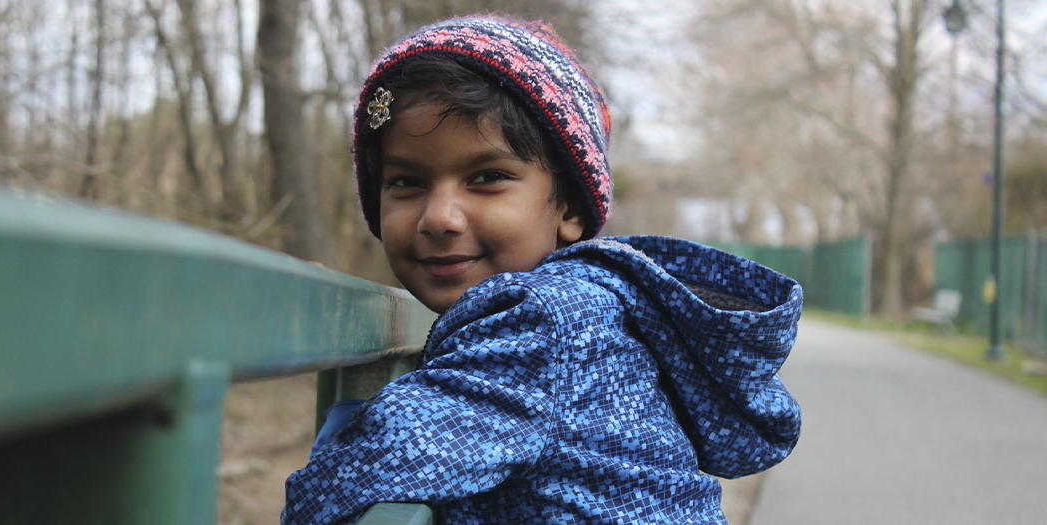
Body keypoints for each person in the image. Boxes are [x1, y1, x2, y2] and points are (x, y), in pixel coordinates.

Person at [282, 15, 802, 525]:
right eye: (406, 182)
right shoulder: (584, 306)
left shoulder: (545, 321)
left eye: (486, 177)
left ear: (570, 210)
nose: (439, 216)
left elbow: (362, 471)